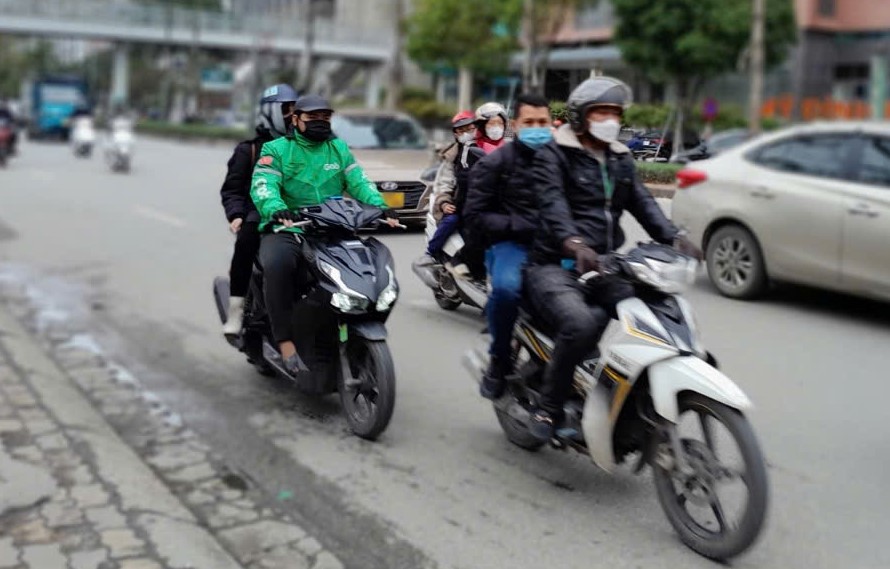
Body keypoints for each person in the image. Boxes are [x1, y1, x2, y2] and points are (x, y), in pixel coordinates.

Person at [523, 77, 703, 440]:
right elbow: (553, 206)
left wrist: (675, 237)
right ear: (580, 116)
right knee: (580, 324)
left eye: (615, 113)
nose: (610, 120)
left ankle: (633, 394)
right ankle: (548, 409)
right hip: (554, 264)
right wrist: (574, 243)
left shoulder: (620, 158)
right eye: (601, 112)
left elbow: (642, 202)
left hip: (603, 264)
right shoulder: (553, 155)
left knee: (657, 309)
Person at [250, 94, 400, 376]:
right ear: (296, 119)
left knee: (369, 263)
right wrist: (277, 209)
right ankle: (285, 342)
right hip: (289, 227)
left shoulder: (338, 148)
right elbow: (263, 185)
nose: (320, 122)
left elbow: (359, 182)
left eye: (325, 117)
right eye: (312, 117)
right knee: (279, 265)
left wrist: (381, 207)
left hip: (333, 226)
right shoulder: (277, 149)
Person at [464, 93, 553, 399]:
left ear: (552, 124)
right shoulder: (495, 163)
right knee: (505, 290)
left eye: (542, 122)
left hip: (556, 246)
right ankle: (499, 359)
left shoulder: (563, 160)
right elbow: (474, 216)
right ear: (515, 125)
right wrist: (519, 225)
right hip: (510, 246)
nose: (536, 128)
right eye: (529, 122)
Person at [220, 83, 299, 335]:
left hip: (300, 214)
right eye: (286, 109)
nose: (292, 115)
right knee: (246, 242)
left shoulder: (304, 147)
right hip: (259, 215)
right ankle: (236, 311)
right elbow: (232, 190)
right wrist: (236, 215)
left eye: (295, 109)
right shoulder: (249, 150)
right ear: (270, 111)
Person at [418, 110, 484, 265]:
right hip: (460, 203)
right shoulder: (452, 156)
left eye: (470, 129)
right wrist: (444, 203)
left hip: (483, 202)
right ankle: (431, 252)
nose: (466, 133)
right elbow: (444, 184)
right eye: (461, 130)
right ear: (455, 134)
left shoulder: (488, 149)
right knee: (451, 220)